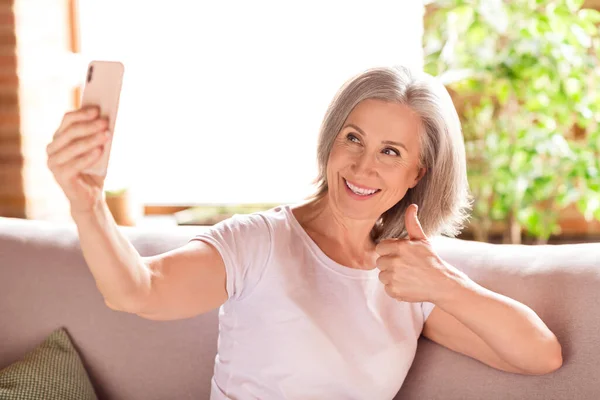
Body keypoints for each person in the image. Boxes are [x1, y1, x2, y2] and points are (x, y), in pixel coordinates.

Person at [46, 65, 562, 399]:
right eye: (352, 138)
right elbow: (138, 291)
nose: (362, 167)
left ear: (417, 175)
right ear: (330, 142)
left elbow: (541, 356)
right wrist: (87, 202)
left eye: (390, 152)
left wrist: (445, 286)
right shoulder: (259, 242)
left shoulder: (409, 279)